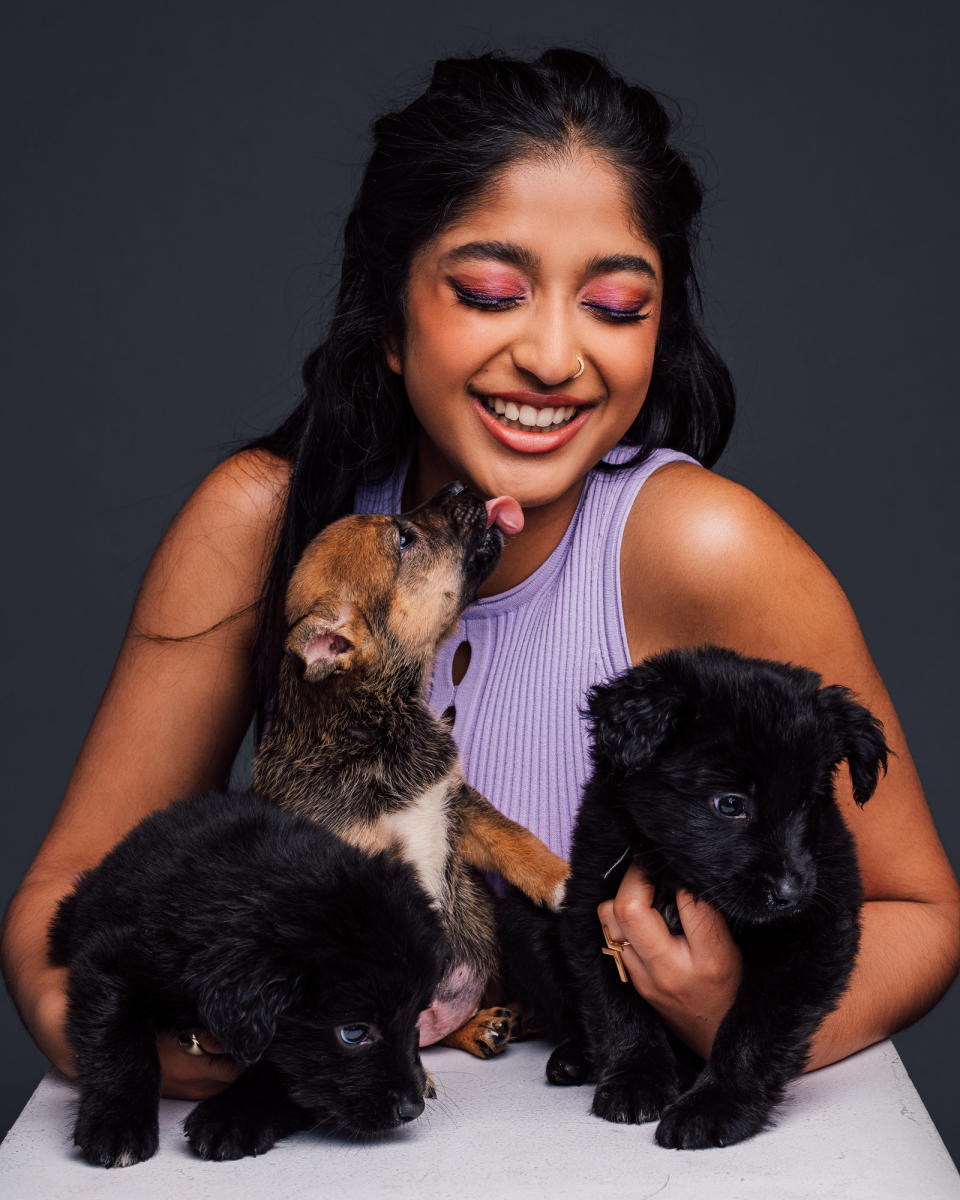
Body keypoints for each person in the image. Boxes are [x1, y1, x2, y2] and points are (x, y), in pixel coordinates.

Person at [3, 48, 957, 1104]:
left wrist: (733, 1029)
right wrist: (187, 1053)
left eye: (616, 307)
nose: (554, 356)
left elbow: (924, 915)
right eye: (492, 292)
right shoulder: (262, 526)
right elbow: (62, 909)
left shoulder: (703, 546)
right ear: (391, 320)